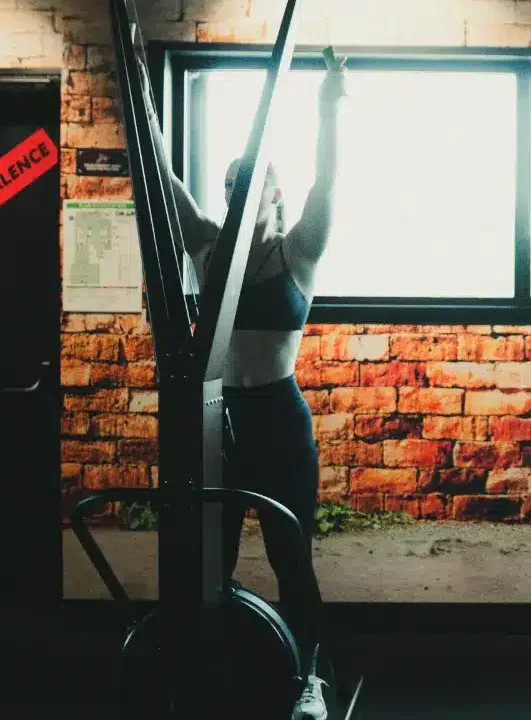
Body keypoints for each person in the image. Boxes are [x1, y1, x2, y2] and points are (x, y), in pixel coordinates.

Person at [137, 52, 347, 720]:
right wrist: (140, 94)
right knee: (212, 564)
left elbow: (328, 181)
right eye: (231, 184)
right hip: (220, 421)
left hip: (280, 421)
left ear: (273, 194)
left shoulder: (298, 252)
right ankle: (213, 671)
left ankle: (311, 680)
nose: (238, 191)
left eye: (251, 182)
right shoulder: (207, 247)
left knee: (292, 560)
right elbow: (163, 178)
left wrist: (329, 108)